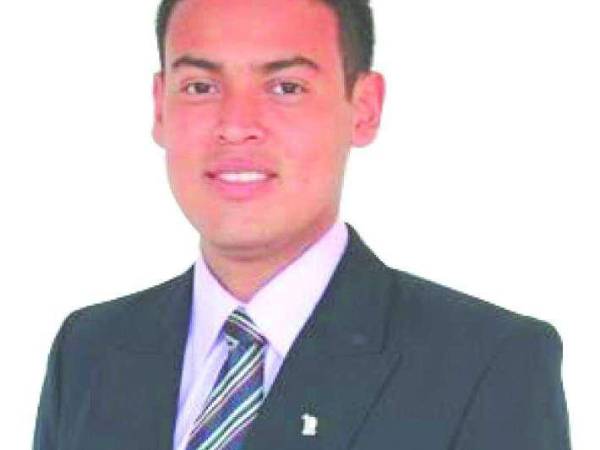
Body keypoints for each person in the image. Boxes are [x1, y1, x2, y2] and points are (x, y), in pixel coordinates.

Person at [33, 0, 571, 449]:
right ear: (159, 107)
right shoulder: (89, 351)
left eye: (285, 87)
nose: (236, 125)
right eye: (200, 86)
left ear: (364, 108)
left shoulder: (485, 365)